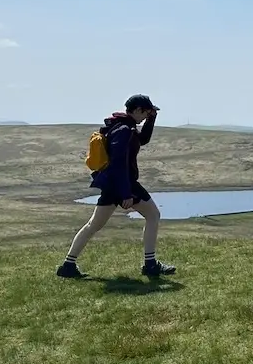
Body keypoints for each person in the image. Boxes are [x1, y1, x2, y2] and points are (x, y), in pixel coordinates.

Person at [57, 94, 175, 279]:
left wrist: (152, 118)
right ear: (137, 110)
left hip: (113, 184)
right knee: (153, 215)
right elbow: (119, 163)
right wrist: (126, 193)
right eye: (145, 112)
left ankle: (68, 265)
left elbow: (141, 140)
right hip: (124, 183)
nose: (145, 116)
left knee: (93, 225)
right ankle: (150, 264)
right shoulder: (124, 130)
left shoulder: (121, 126)